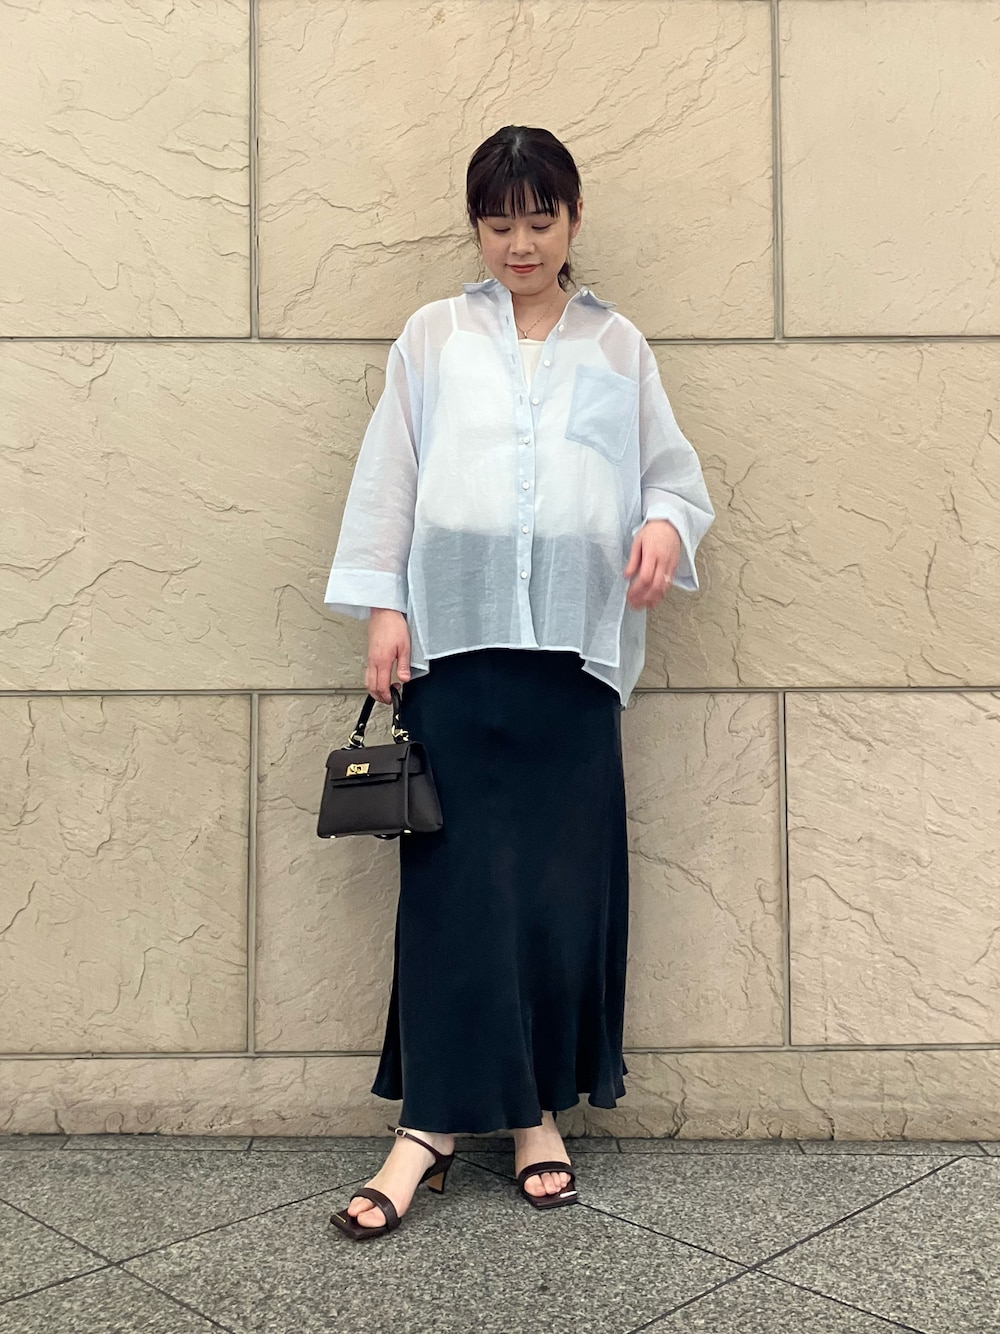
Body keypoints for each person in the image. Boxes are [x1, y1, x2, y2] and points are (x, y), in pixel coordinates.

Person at [323, 126, 715, 1241]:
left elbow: (673, 479)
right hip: (455, 649)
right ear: (477, 228)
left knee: (556, 891)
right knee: (451, 891)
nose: (520, 244)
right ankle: (428, 1126)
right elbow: (391, 476)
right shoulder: (434, 336)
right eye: (499, 224)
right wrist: (385, 607)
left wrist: (661, 524)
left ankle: (538, 1112)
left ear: (574, 219)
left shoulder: (616, 345)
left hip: (574, 660)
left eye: (540, 221)